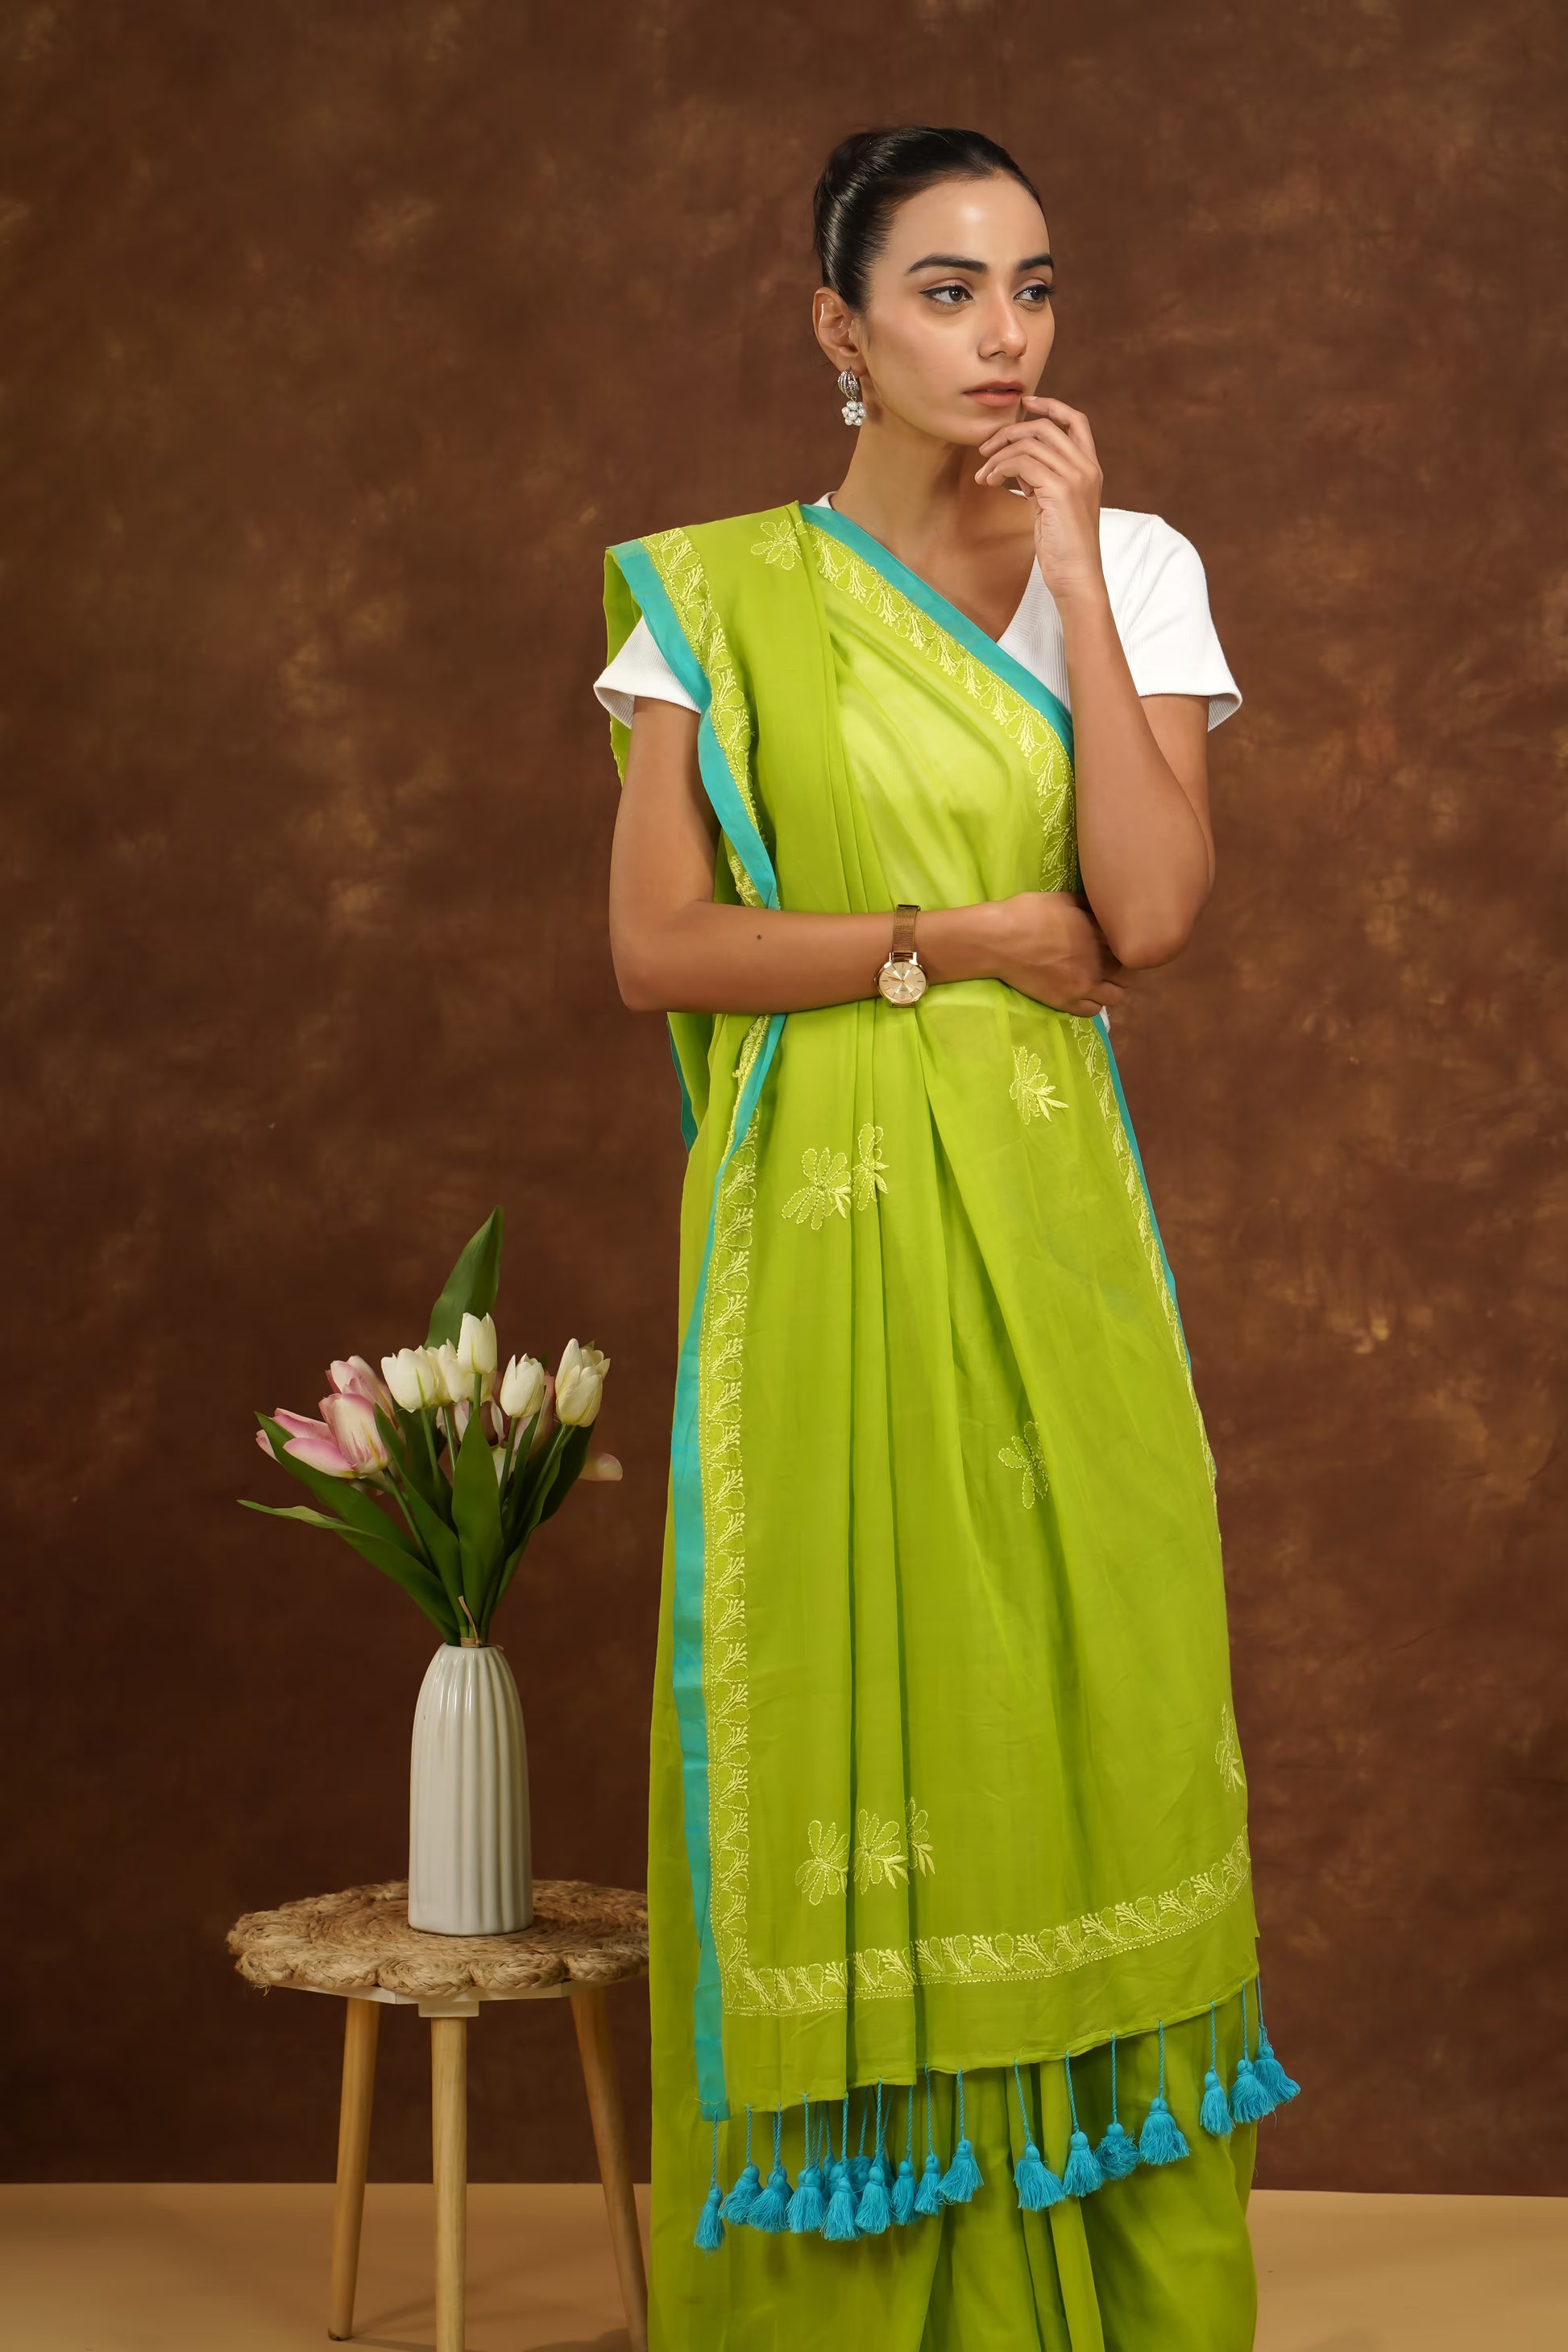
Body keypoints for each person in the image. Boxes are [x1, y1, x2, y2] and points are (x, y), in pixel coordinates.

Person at [595, 123, 1297, 2352]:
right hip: (816, 1252)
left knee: (1090, 1686)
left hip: (1055, 1236)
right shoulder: (707, 598)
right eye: (941, 291)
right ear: (838, 330)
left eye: (1032, 289)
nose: (1001, 339)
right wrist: (953, 935)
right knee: (839, 1690)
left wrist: (1081, 579)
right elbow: (660, 951)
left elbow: (1157, 913)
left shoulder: (1143, 563)